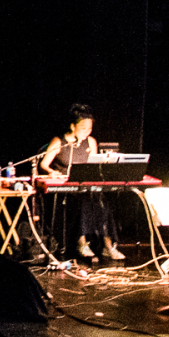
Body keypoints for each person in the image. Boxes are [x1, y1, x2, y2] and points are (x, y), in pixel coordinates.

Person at [35, 103, 114, 263]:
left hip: (84, 186)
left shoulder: (91, 142)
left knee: (103, 202)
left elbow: (93, 165)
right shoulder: (59, 141)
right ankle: (82, 242)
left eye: (90, 128)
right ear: (73, 126)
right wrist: (52, 172)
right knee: (84, 202)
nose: (87, 132)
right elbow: (44, 164)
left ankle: (108, 245)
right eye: (84, 128)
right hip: (65, 190)